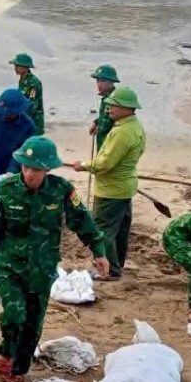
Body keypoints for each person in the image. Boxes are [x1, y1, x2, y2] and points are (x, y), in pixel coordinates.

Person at [0, 137, 109, 382]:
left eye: (36, 169)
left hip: (42, 268)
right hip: (11, 264)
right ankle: (7, 351)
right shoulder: (6, 189)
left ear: (47, 169)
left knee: (32, 321)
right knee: (13, 315)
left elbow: (81, 220)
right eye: (26, 167)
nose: (30, 174)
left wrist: (99, 250)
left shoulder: (61, 190)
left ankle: (19, 368)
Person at [71, 85, 145, 280]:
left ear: (128, 109)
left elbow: (105, 163)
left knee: (102, 230)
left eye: (115, 105)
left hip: (111, 190)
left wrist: (85, 165)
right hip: (125, 186)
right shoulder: (134, 127)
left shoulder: (122, 132)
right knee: (120, 230)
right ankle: (117, 264)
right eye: (110, 104)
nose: (109, 108)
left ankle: (110, 269)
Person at [0, 88, 37, 174]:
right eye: (3, 111)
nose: (5, 115)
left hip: (12, 169)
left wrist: (12, 171)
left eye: (9, 113)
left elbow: (22, 152)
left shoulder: (28, 126)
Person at [87, 64, 120, 153]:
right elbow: (104, 115)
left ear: (111, 82)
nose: (99, 84)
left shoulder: (115, 99)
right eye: (98, 81)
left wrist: (100, 128)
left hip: (110, 143)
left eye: (103, 81)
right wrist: (96, 122)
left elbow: (111, 121)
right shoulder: (105, 97)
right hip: (102, 141)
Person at [10, 52, 45, 134]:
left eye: (17, 66)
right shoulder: (23, 79)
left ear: (25, 68)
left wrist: (18, 116)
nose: (15, 68)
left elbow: (32, 105)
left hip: (32, 123)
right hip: (24, 122)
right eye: (15, 66)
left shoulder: (33, 83)